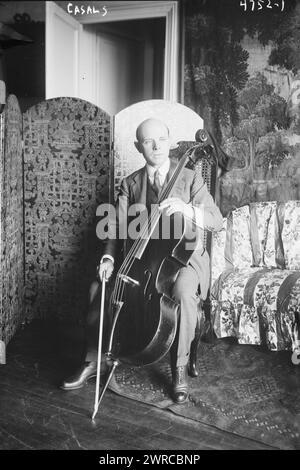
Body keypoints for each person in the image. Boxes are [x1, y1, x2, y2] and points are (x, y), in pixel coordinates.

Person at [60, 118, 223, 403]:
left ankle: (179, 368)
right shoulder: (131, 183)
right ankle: (94, 359)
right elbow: (117, 226)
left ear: (170, 139)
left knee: (184, 294)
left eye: (161, 138)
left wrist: (188, 210)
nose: (157, 146)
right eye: (148, 141)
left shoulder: (189, 178)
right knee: (98, 288)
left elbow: (216, 221)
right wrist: (109, 257)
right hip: (144, 261)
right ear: (139, 147)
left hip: (183, 261)